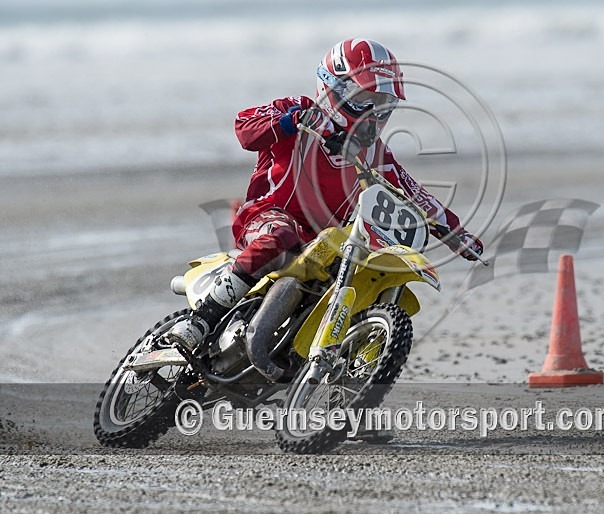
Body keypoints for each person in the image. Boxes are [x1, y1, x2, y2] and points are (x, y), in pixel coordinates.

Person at [165, 38, 483, 352]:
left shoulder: (374, 151)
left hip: (326, 240)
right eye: (365, 99)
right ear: (335, 88)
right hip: (266, 217)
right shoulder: (298, 110)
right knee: (280, 234)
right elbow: (244, 128)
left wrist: (457, 234)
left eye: (383, 104)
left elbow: (412, 191)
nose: (374, 113)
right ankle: (200, 322)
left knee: (362, 260)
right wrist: (292, 121)